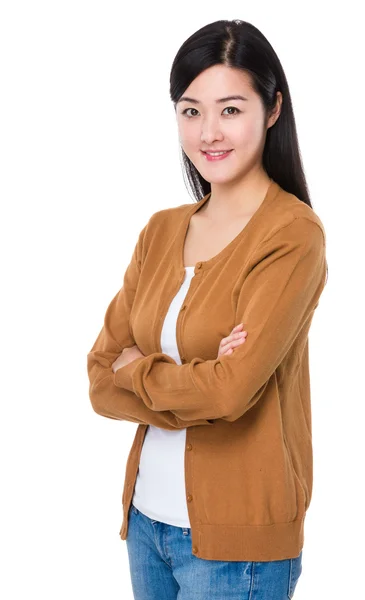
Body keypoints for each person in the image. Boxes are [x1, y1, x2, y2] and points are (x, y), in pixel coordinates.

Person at [87, 18, 328, 600]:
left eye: (230, 109)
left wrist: (139, 370)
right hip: (146, 523)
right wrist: (195, 382)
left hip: (236, 549)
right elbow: (99, 379)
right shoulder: (162, 231)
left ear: (272, 109)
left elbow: (230, 392)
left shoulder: (291, 235)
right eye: (191, 110)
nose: (209, 132)